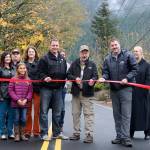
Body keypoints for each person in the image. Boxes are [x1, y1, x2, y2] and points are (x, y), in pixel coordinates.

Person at [98, 38, 138, 147]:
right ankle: (119, 136)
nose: (114, 47)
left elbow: (135, 69)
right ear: (110, 47)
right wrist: (103, 78)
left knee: (126, 114)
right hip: (114, 90)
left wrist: (127, 78)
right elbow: (106, 72)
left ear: (119, 45)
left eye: (116, 45)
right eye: (112, 45)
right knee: (117, 115)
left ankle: (126, 138)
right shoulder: (107, 59)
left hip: (126, 89)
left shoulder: (128, 55)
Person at [67, 45, 98, 143]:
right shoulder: (74, 63)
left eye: (86, 52)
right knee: (75, 114)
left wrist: (93, 80)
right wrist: (74, 78)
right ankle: (76, 133)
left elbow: (96, 76)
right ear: (79, 53)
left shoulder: (92, 64)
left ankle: (89, 135)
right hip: (76, 93)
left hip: (87, 93)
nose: (84, 54)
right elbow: (68, 75)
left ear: (88, 53)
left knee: (88, 114)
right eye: (82, 52)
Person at [38, 38, 68, 141]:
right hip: (46, 89)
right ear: (50, 46)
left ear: (58, 46)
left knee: (57, 112)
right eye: (53, 45)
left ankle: (56, 133)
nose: (55, 47)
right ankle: (44, 133)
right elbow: (40, 73)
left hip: (58, 90)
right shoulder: (44, 58)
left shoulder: (62, 59)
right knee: (44, 112)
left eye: (56, 45)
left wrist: (63, 84)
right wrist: (44, 77)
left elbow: (65, 74)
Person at [8, 63, 33, 142]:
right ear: (17, 69)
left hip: (25, 103)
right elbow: (10, 91)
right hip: (16, 103)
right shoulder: (13, 79)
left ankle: (22, 134)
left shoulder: (28, 79)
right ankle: (17, 134)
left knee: (23, 119)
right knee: (16, 118)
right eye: (20, 68)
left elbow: (30, 92)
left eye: (24, 68)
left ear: (26, 69)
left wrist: (26, 99)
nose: (22, 70)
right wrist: (17, 100)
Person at [130, 46, 150, 139]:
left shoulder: (147, 65)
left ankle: (147, 132)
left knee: (145, 113)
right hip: (132, 93)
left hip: (143, 94)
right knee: (132, 113)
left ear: (141, 53)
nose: (135, 53)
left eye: (137, 51)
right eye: (134, 51)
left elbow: (148, 80)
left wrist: (144, 90)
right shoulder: (131, 64)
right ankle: (131, 132)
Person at [24, 46, 40, 138]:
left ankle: (36, 131)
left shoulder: (39, 63)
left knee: (37, 111)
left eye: (32, 51)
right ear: (27, 53)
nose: (31, 53)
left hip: (37, 89)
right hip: (27, 90)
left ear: (35, 53)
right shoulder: (24, 64)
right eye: (29, 52)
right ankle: (27, 130)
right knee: (28, 111)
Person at [0, 51, 15, 140]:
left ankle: (10, 132)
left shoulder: (14, 68)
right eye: (6, 57)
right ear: (3, 58)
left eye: (9, 57)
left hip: (13, 94)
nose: (8, 58)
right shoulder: (0, 69)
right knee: (2, 114)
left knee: (11, 114)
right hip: (3, 94)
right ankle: (2, 132)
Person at [60, 50, 70, 132]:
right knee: (55, 108)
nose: (62, 56)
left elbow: (70, 75)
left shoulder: (67, 65)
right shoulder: (55, 63)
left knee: (62, 108)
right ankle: (55, 126)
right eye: (61, 54)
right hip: (54, 88)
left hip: (63, 88)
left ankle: (61, 125)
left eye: (64, 55)